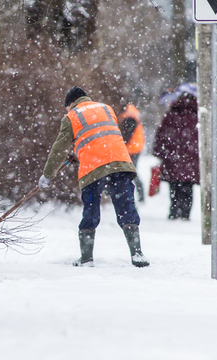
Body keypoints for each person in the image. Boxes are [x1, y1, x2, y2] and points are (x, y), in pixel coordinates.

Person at [38, 86, 150, 268]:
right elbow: (101, 136)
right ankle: (137, 254)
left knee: (91, 210)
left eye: (67, 107)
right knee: (125, 207)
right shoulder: (107, 108)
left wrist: (48, 174)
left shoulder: (71, 116)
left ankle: (86, 258)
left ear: (71, 103)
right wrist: (79, 151)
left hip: (93, 168)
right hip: (120, 163)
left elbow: (59, 150)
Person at [152, 93, 199, 220]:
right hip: (190, 160)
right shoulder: (197, 117)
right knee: (188, 188)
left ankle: (174, 210)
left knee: (174, 186)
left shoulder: (171, 115)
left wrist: (159, 152)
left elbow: (160, 136)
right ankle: (185, 213)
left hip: (172, 158)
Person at [118, 103, 145, 203]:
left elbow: (127, 135)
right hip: (135, 148)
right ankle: (139, 194)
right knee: (132, 172)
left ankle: (132, 195)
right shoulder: (133, 115)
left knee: (129, 173)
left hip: (130, 149)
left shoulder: (128, 118)